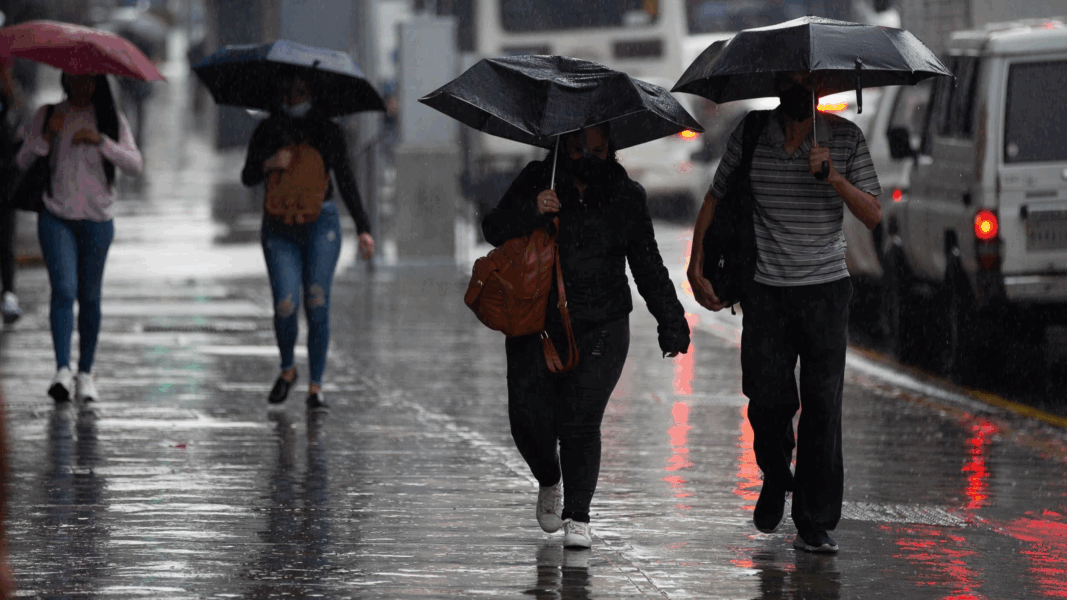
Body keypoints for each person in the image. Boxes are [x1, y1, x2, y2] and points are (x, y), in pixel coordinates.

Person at [686, 71, 882, 554]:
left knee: (822, 407)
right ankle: (776, 473)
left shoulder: (845, 138)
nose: (799, 90)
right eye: (791, 81)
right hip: (766, 293)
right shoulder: (753, 132)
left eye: (807, 83)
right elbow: (715, 196)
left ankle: (813, 521)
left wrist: (833, 177)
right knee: (767, 402)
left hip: (825, 293)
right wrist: (695, 262)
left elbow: (873, 213)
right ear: (778, 85)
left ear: (820, 88)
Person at [482, 124, 691, 549]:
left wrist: (671, 320)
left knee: (580, 420)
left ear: (609, 147)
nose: (588, 157)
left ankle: (578, 515)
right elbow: (493, 228)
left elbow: (647, 264)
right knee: (528, 422)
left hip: (602, 325)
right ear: (562, 145)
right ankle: (550, 478)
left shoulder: (626, 195)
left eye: (597, 149)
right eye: (578, 148)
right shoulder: (537, 179)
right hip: (535, 324)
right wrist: (532, 211)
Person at [241, 74, 375, 412]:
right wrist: (271, 163)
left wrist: (363, 228)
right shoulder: (267, 130)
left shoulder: (329, 131)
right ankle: (288, 369)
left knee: (317, 301)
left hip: (321, 226)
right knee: (285, 303)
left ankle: (316, 386)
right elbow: (247, 176)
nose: (294, 96)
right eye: (288, 90)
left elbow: (346, 179)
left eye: (301, 90)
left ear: (312, 93)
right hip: (279, 228)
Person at [16, 73, 143, 403]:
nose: (81, 85)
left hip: (97, 221)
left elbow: (135, 165)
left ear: (97, 81)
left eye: (88, 80)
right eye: (75, 78)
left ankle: (85, 373)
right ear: (65, 78)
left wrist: (101, 141)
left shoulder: (111, 119)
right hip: (56, 217)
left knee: (90, 297)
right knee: (63, 290)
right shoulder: (48, 114)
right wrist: (47, 135)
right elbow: (23, 160)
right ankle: (62, 369)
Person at [0, 59, 23, 325]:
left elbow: (17, 142)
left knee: (6, 241)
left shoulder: (8, 102)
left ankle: (9, 293)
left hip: (5, 185)